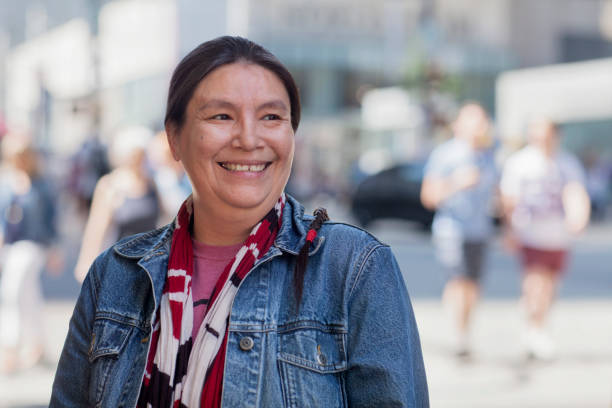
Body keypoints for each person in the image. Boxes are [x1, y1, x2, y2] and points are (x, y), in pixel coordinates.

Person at [51, 36, 429, 407]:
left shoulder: (354, 267)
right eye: (221, 116)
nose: (249, 139)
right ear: (174, 138)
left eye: (271, 116)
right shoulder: (115, 276)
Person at [500, 118, 590, 360]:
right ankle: (535, 329)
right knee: (536, 281)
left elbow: (576, 192)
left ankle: (535, 320)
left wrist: (579, 217)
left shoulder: (567, 162)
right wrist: (509, 230)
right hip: (529, 232)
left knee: (550, 284)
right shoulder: (519, 162)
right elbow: (509, 199)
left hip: (558, 235)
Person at [420, 103, 498, 358]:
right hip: (451, 230)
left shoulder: (489, 156)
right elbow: (429, 196)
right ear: (459, 125)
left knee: (473, 285)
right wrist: (457, 182)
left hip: (480, 230)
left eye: (483, 120)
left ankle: (465, 330)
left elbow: (498, 194)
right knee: (459, 281)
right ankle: (459, 335)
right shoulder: (445, 155)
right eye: (475, 121)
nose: (481, 126)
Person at [0, 134, 58, 373]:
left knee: (12, 292)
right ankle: (39, 344)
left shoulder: (41, 185)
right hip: (10, 246)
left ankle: (10, 348)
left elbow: (50, 219)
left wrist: (56, 248)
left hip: (33, 245)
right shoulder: (7, 183)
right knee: (29, 295)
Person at [73, 125, 161, 282]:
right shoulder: (111, 185)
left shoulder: (151, 183)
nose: (139, 159)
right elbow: (96, 228)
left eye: (142, 154)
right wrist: (86, 261)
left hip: (150, 265)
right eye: (135, 154)